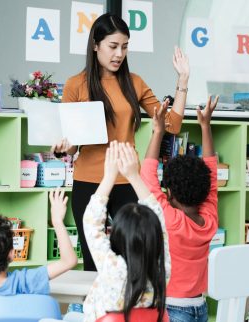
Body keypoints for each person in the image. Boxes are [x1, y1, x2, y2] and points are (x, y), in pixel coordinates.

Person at [52, 12, 189, 271]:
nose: (119, 54)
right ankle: (99, 313)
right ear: (95, 45)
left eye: (124, 47)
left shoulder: (134, 83)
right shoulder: (75, 85)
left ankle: (132, 311)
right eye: (113, 46)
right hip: (89, 181)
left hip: (128, 180)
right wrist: (62, 148)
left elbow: (173, 124)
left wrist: (182, 81)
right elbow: (72, 145)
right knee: (94, 261)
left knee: (137, 257)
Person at [139, 95, 219, 322]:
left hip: (171, 308)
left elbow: (147, 177)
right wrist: (206, 126)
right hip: (200, 307)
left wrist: (157, 132)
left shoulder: (171, 220)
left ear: (170, 193)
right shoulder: (209, 219)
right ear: (203, 192)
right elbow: (212, 174)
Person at [82, 141, 170, 322]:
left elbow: (91, 222)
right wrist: (133, 176)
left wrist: (109, 177)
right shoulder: (162, 268)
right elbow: (160, 220)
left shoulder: (114, 268)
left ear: (117, 237)